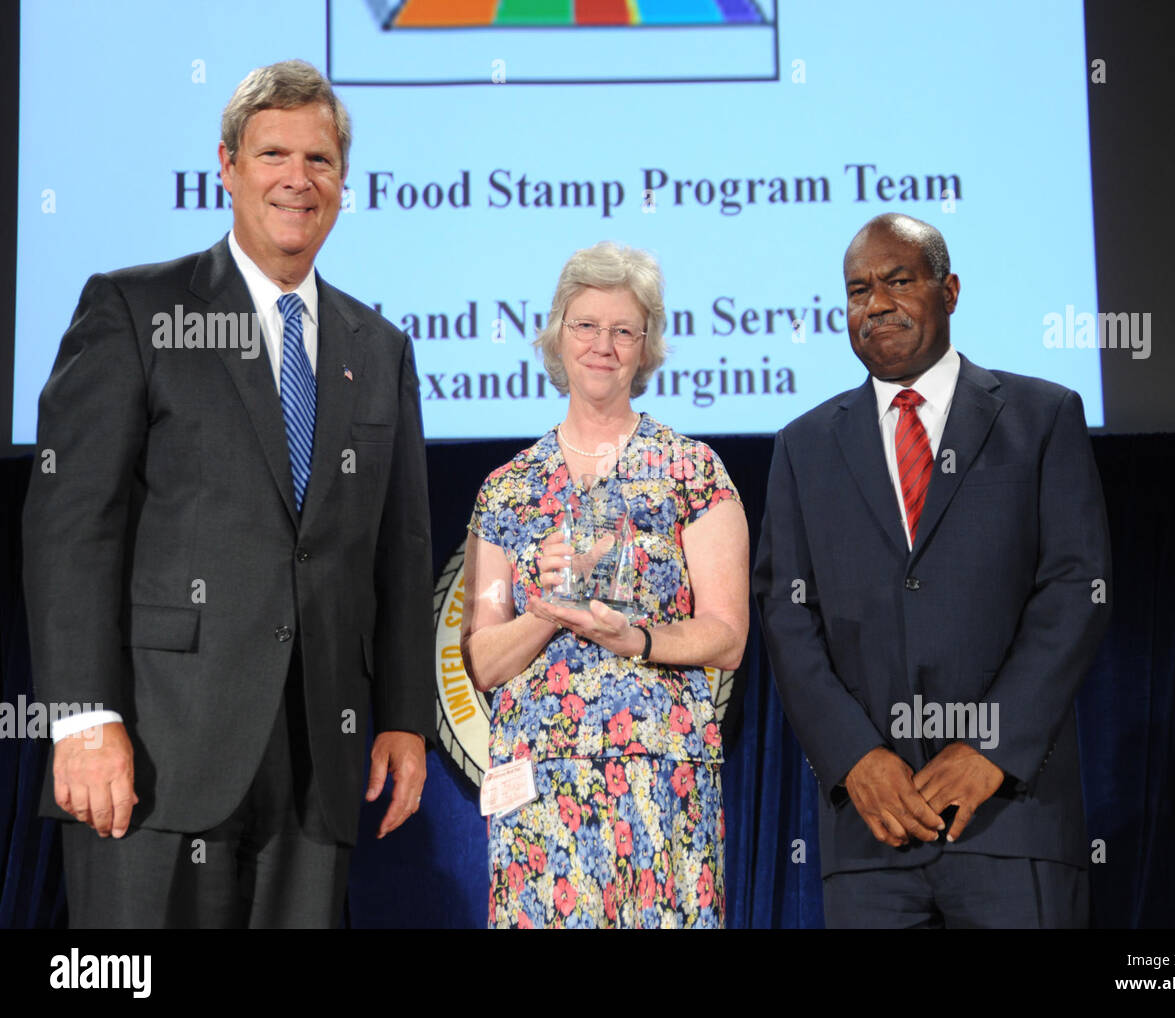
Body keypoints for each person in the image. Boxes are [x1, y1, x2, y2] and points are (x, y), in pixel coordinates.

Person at [22, 60, 436, 928]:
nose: (297, 179)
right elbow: (72, 531)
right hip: (153, 759)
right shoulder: (135, 310)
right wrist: (82, 718)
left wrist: (402, 716)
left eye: (319, 160)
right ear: (226, 166)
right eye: (273, 154)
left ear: (343, 183)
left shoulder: (382, 346)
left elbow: (396, 553)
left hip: (318, 764)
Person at [753, 213, 1112, 928]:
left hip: (1011, 822)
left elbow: (1077, 591)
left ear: (948, 290)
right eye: (858, 290)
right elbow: (788, 618)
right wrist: (856, 759)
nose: (875, 303)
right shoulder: (803, 446)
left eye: (897, 281)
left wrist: (990, 748)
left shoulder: (1042, 418)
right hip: (872, 833)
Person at [460, 242, 748, 928]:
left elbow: (727, 638)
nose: (603, 345)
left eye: (624, 330)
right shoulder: (507, 492)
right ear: (559, 333)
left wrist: (636, 637)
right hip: (540, 791)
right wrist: (548, 610)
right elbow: (483, 658)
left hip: (662, 780)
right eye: (586, 325)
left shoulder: (693, 473)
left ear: (645, 348)